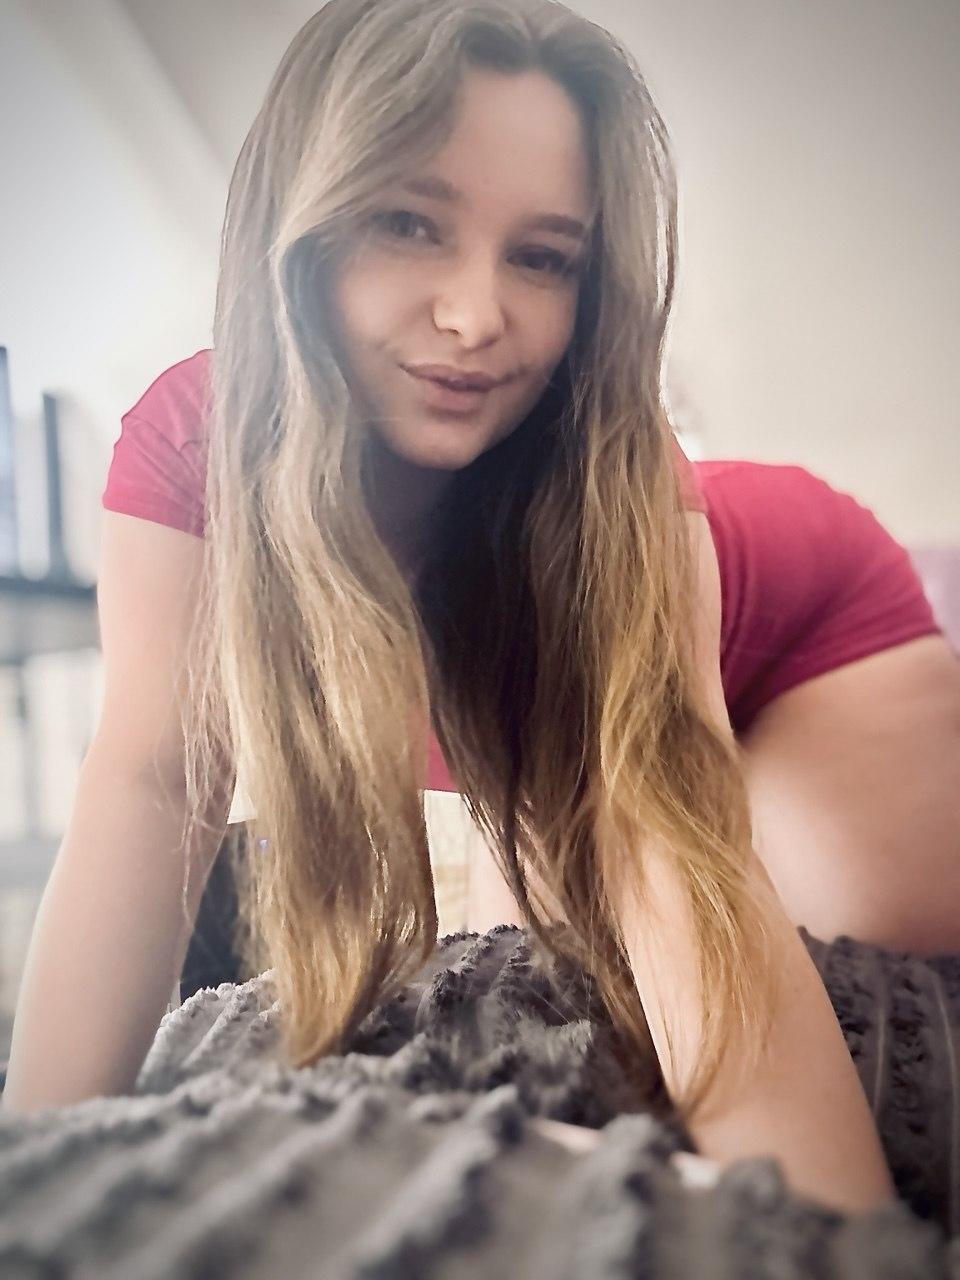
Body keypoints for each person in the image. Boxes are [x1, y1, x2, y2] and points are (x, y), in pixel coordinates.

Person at [5, 0, 953, 1217]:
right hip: (549, 713)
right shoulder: (193, 451)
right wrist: (33, 1173)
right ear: (300, 224)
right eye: (409, 224)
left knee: (851, 969)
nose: (474, 317)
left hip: (814, 629)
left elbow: (668, 834)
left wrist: (834, 1240)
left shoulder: (613, 472)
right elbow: (151, 780)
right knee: (547, 988)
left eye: (543, 257)